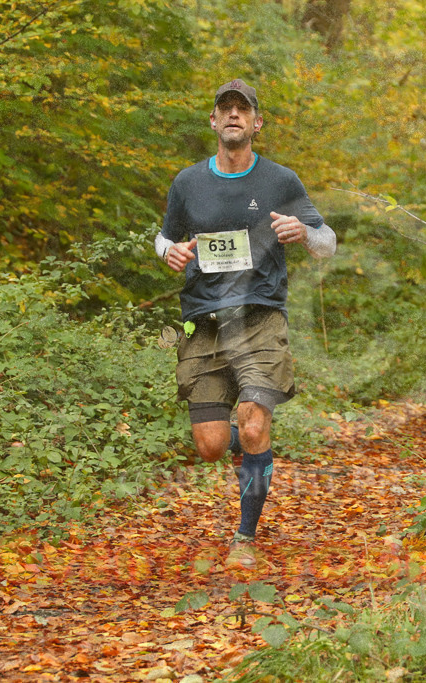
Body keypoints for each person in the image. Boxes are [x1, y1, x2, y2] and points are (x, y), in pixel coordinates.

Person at [153, 79, 337, 569]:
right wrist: (167, 251)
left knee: (253, 425)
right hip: (204, 321)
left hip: (260, 318)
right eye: (224, 109)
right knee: (211, 446)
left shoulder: (280, 181)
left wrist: (305, 233)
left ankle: (244, 537)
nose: (233, 115)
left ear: (257, 123)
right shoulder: (188, 182)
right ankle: (252, 445)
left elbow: (328, 241)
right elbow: (164, 237)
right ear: (213, 122)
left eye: (243, 109)